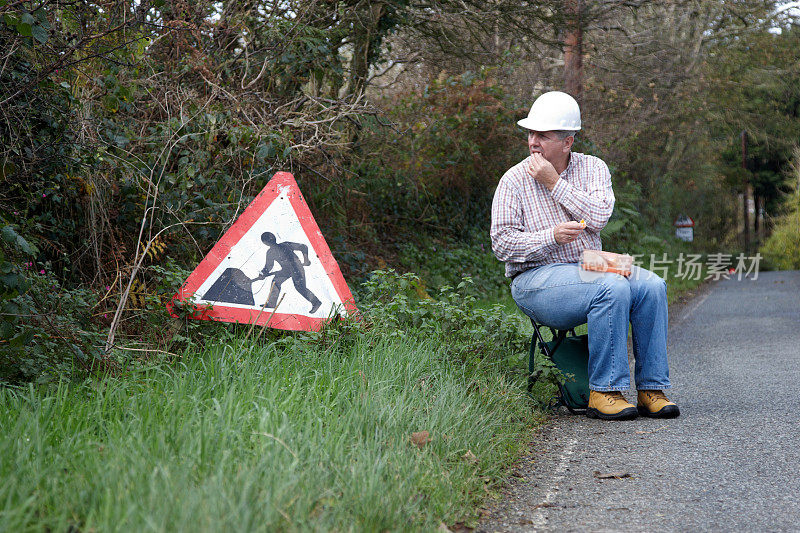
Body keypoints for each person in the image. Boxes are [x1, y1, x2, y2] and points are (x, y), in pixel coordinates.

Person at [490, 91, 679, 421]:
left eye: (543, 136)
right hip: (535, 279)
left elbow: (600, 215)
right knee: (611, 288)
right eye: (531, 134)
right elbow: (502, 244)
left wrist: (553, 182)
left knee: (652, 286)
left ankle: (651, 389)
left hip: (589, 265)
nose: (533, 142)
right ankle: (604, 391)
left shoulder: (593, 168)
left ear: (567, 142)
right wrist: (550, 237)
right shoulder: (513, 180)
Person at [255, 232, 322, 314]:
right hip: (286, 270)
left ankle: (316, 302)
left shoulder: (285, 245)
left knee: (300, 287)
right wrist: (263, 273)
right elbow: (269, 266)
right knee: (275, 282)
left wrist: (306, 260)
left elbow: (303, 247)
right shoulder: (270, 252)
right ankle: (271, 304)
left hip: (296, 267)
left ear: (265, 243)